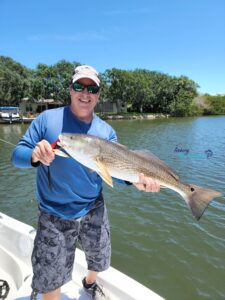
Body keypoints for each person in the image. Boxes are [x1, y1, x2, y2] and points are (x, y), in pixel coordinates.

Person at [11, 65, 160, 300]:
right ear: (70, 89)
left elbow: (115, 173)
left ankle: (89, 285)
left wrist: (136, 182)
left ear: (98, 95)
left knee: (99, 258)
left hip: (93, 206)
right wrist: (33, 155)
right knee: (51, 277)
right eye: (79, 86)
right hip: (54, 212)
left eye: (92, 88)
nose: (85, 93)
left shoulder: (106, 132)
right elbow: (16, 156)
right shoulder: (47, 120)